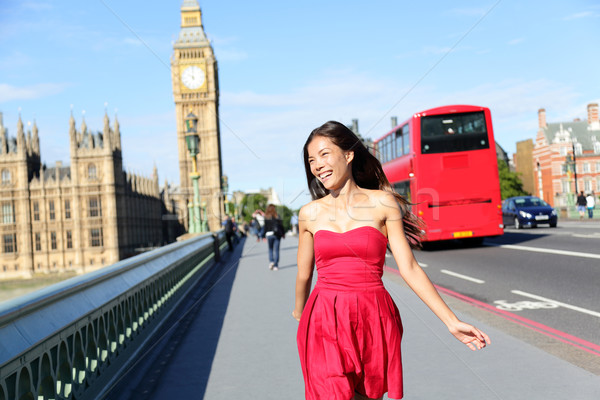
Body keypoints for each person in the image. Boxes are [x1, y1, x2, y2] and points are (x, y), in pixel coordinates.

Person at [293, 121, 490, 400]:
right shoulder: (308, 213)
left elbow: (409, 268)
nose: (317, 165)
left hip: (373, 316)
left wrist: (450, 321)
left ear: (348, 155)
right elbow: (304, 274)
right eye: (311, 160)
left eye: (324, 154)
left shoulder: (384, 204)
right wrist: (301, 314)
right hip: (324, 319)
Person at [264, 204, 284, 270]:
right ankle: (276, 265)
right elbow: (281, 225)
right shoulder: (277, 216)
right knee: (277, 250)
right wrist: (283, 233)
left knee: (270, 249)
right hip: (277, 235)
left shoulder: (266, 217)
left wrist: (263, 236)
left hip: (269, 235)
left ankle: (271, 261)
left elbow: (265, 227)